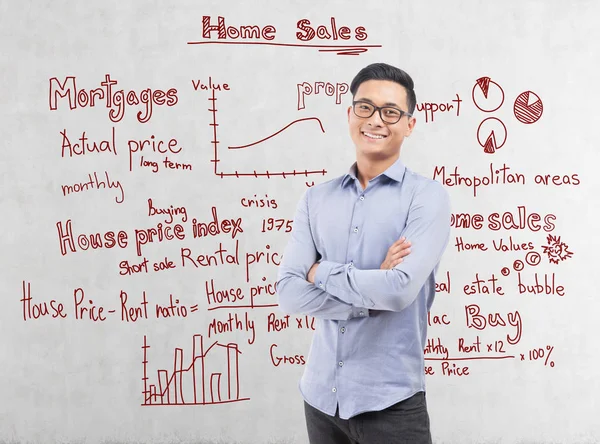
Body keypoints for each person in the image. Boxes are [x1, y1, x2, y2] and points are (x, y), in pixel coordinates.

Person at [276, 62, 451, 444]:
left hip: (391, 405)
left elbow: (399, 290)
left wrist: (319, 272)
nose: (376, 120)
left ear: (409, 124)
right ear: (350, 113)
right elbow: (288, 291)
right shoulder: (316, 199)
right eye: (365, 107)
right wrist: (369, 295)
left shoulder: (427, 198)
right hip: (321, 400)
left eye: (391, 112)